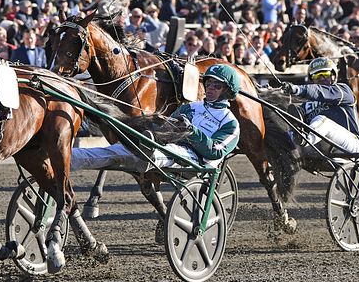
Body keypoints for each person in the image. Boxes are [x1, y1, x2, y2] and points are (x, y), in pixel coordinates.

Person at [71, 64, 241, 227]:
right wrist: (159, 123)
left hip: (195, 160)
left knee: (167, 151)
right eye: (209, 83)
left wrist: (193, 132)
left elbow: (215, 151)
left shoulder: (230, 123)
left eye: (216, 85)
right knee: (115, 151)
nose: (210, 88)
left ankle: (147, 153)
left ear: (227, 90)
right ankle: (71, 158)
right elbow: (168, 125)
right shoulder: (190, 107)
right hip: (165, 147)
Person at [280, 57, 359, 155]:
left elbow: (319, 91)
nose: (322, 78)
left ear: (334, 75)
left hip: (351, 143)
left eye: (326, 74)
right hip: (321, 146)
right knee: (285, 133)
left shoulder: (343, 90)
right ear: (312, 80)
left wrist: (297, 89)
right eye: (317, 76)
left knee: (323, 120)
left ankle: (305, 139)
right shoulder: (307, 104)